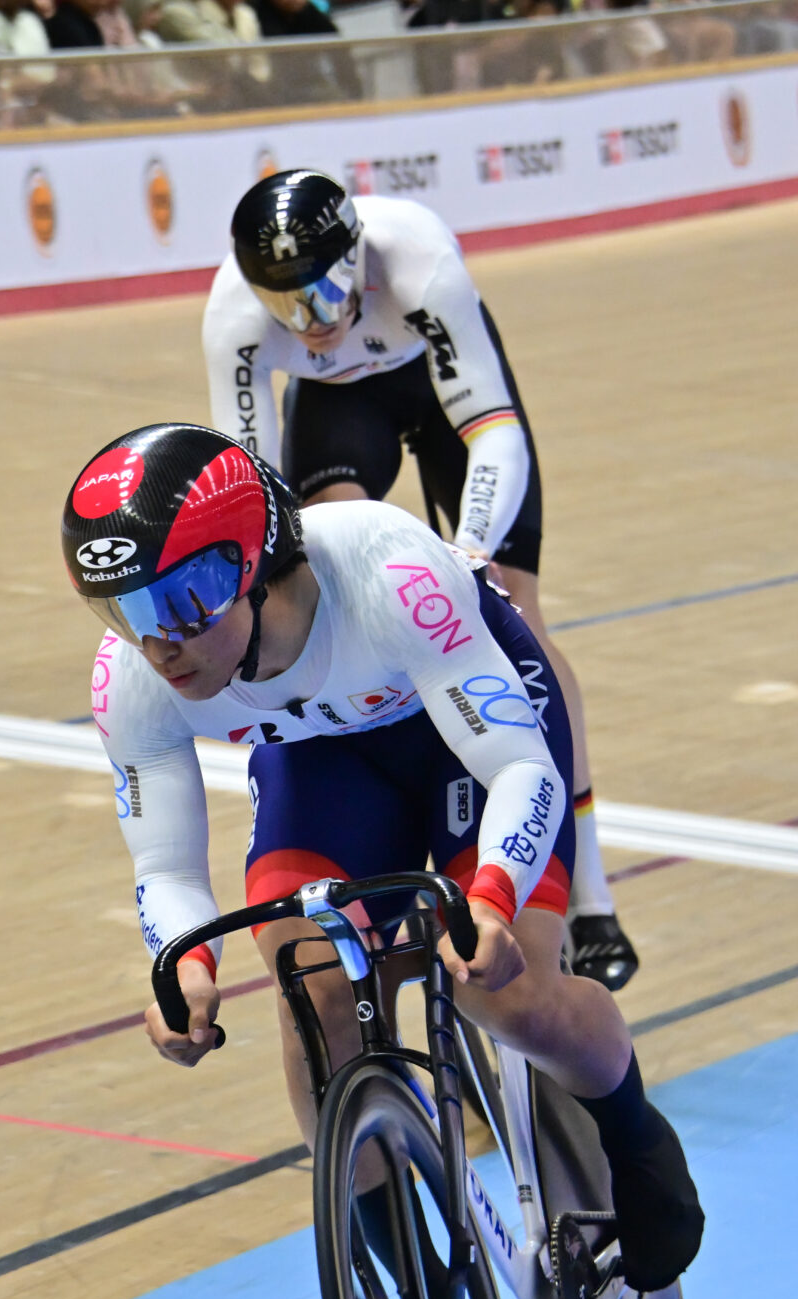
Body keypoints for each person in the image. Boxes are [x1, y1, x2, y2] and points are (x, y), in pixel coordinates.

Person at [63, 422, 703, 1291]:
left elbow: (517, 765)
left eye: (177, 603)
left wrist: (491, 898)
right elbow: (168, 871)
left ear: (248, 564)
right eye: (125, 612)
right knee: (310, 987)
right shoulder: (132, 677)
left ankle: (636, 1134)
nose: (156, 644)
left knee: (505, 992)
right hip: (328, 755)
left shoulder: (387, 571)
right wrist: (184, 969)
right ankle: (404, 1275)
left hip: (467, 736)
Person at [204, 170, 640, 989]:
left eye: (326, 294)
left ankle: (591, 896)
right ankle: (387, 806)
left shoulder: (420, 258)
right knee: (331, 584)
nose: (312, 322)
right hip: (338, 409)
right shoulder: (231, 313)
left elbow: (496, 435)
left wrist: (467, 554)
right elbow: (253, 486)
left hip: (442, 398)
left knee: (517, 614)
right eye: (286, 308)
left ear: (358, 257)